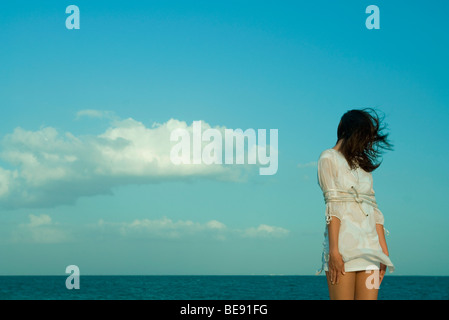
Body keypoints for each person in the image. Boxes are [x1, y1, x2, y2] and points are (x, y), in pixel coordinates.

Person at [316, 108, 394, 300]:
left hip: (372, 253)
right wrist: (334, 252)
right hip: (343, 250)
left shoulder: (363, 165)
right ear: (354, 132)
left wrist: (384, 252)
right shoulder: (328, 158)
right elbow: (333, 206)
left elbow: (374, 209)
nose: (368, 142)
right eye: (365, 135)